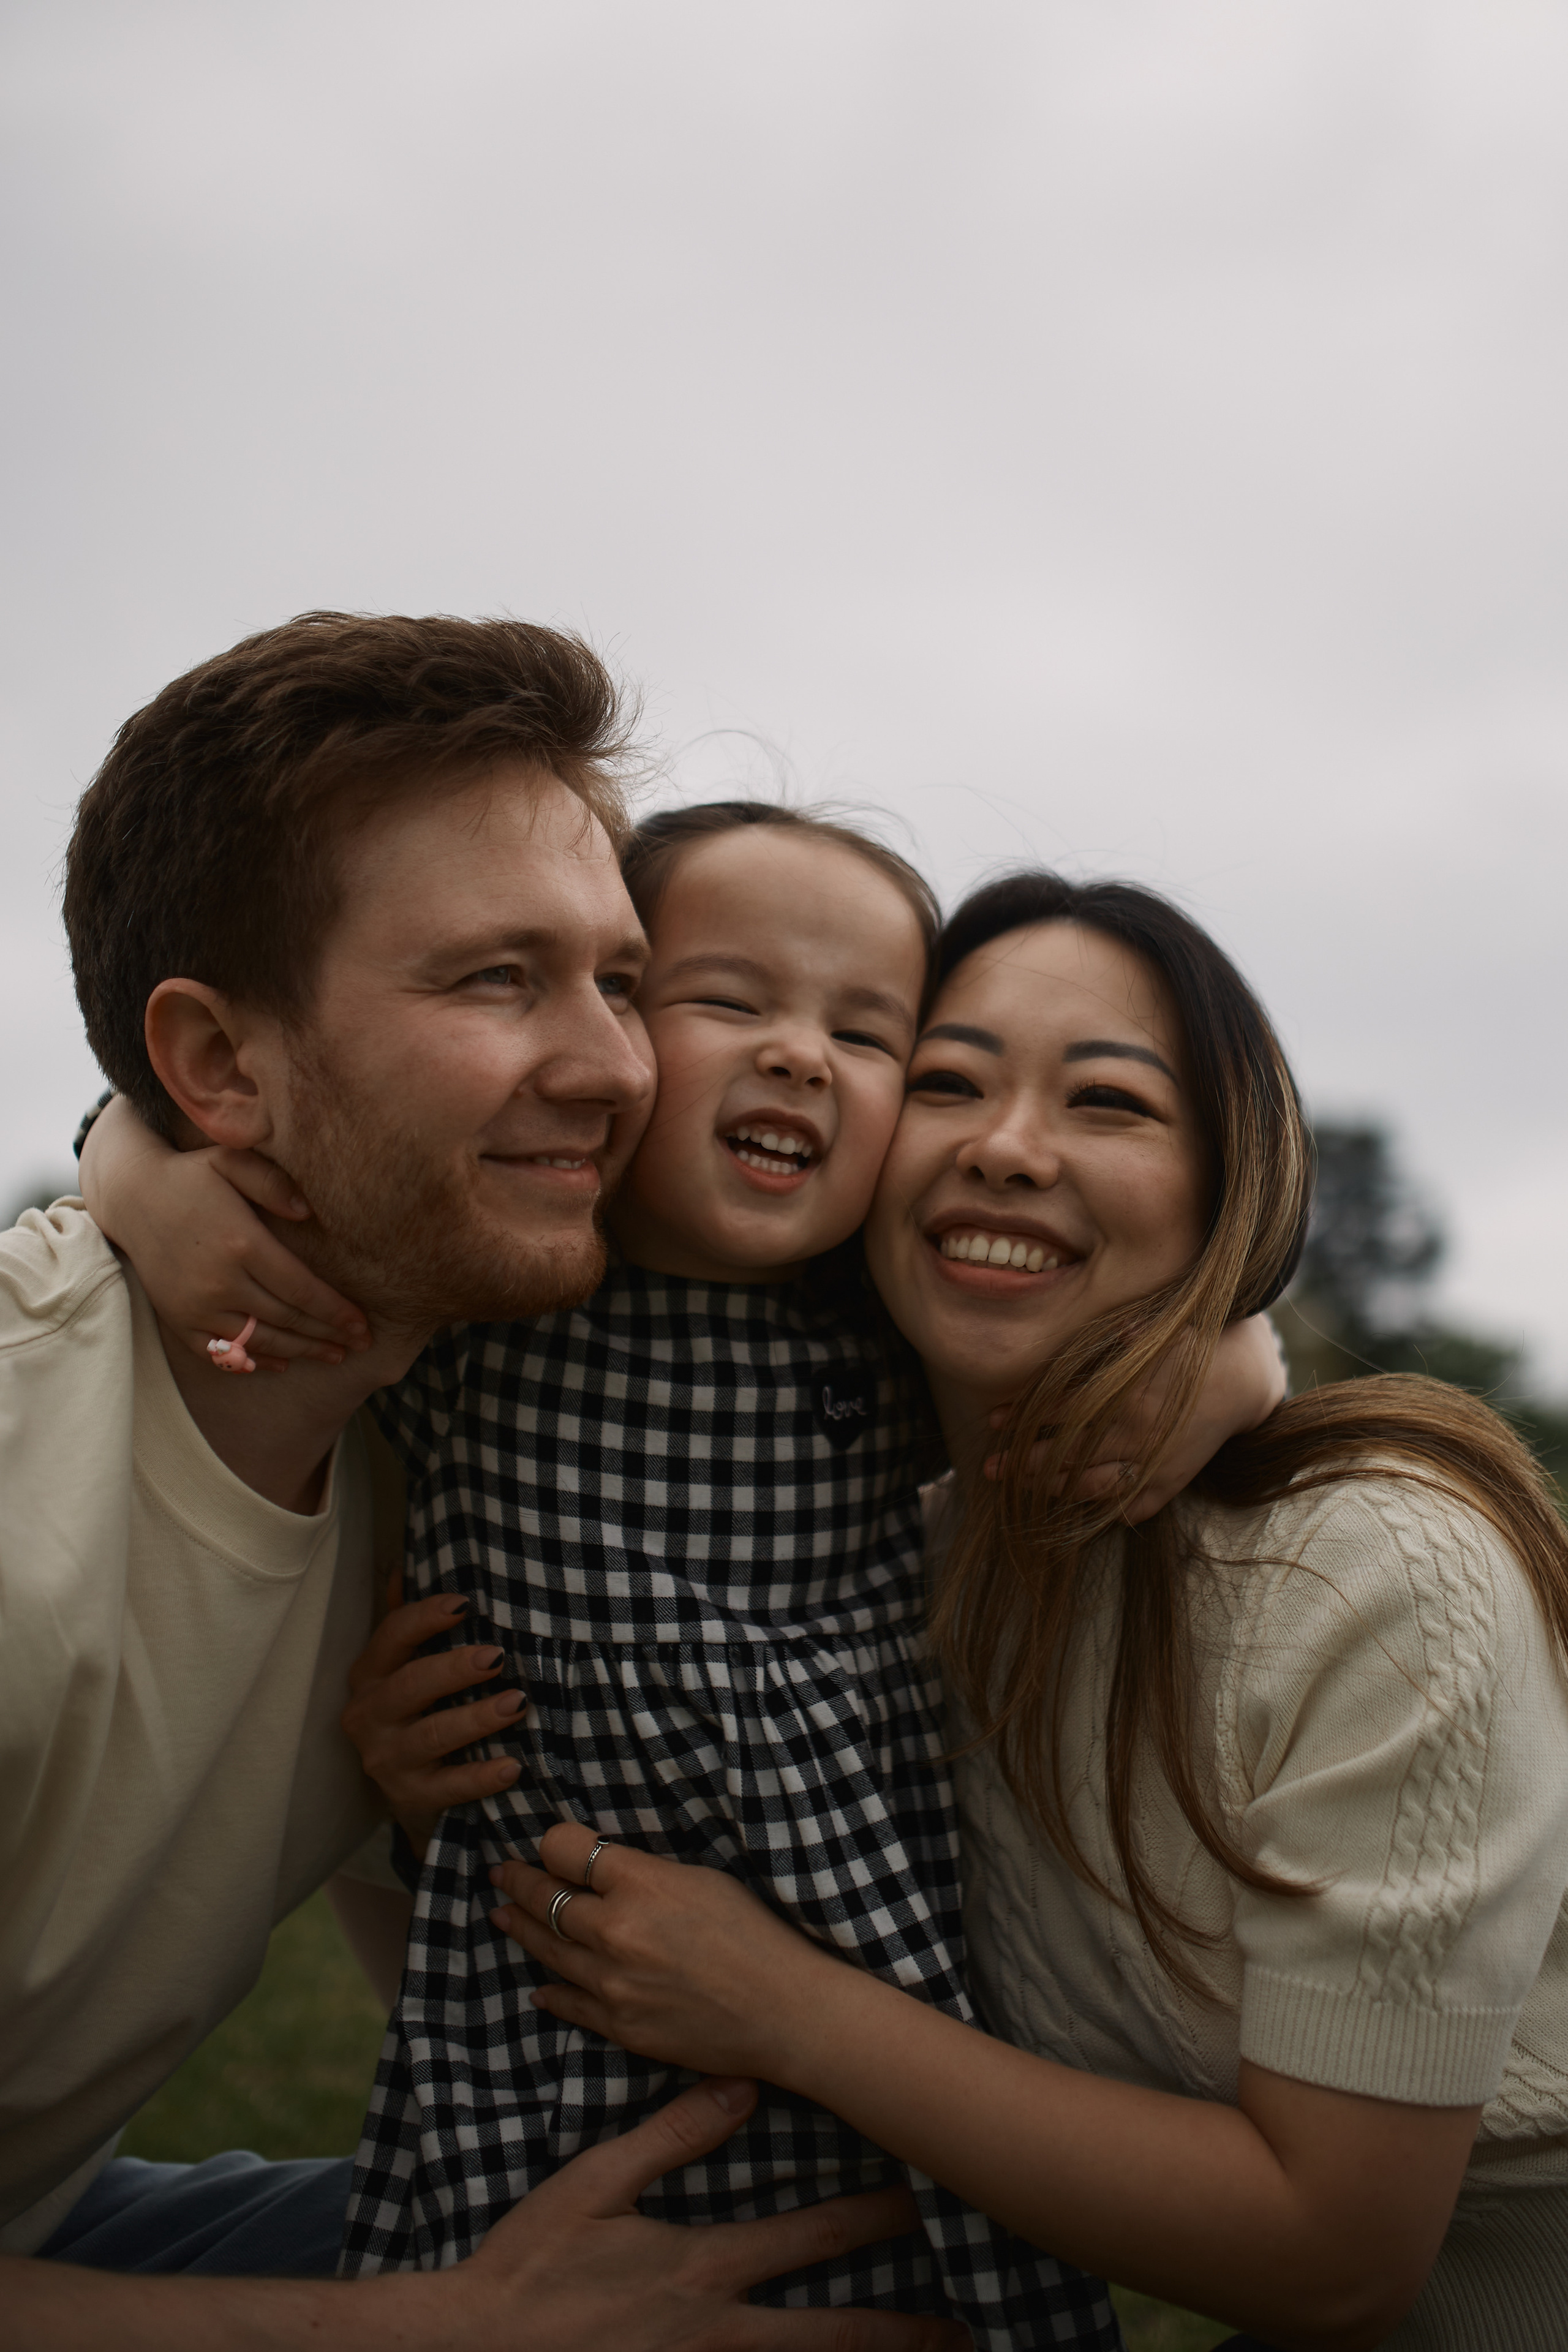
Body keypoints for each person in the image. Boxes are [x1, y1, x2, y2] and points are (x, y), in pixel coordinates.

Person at [81, 804, 1287, 2340]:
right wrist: (140, 1177)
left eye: (873, 1037)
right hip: (551, 2011)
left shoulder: (883, 1333)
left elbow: (1122, 1328)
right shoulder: (486, 1300)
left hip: (864, 1976)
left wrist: (1228, 1364)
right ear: (608, 1044)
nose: (799, 1055)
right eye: (728, 1001)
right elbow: (189, 1113)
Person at [2, 609, 962, 2352]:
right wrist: (442, 2332)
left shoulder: (448, 1409)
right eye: (495, 979)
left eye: (619, 976)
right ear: (218, 1064)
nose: (619, 1065)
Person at [480, 872, 1568, 2352]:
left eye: (1107, 1104)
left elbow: (1333, 2254)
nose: (1002, 1147)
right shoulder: (882, 1573)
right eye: (944, 1083)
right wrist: (430, 1796)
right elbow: (592, 1983)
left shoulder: (1376, 1572)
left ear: (1225, 1184)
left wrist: (786, 2008)